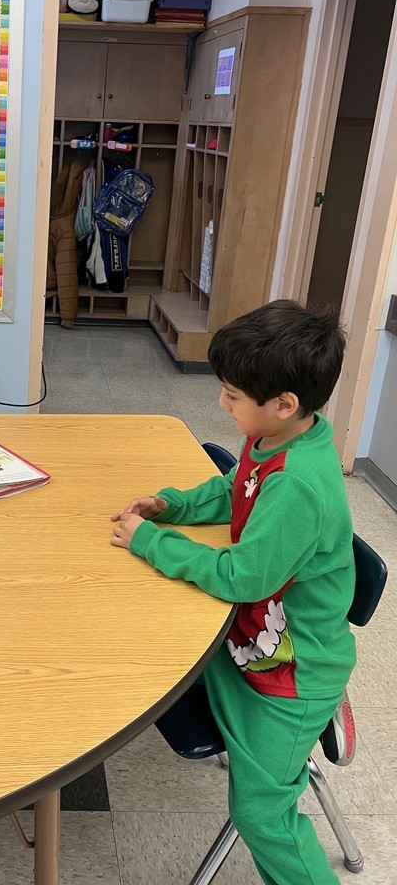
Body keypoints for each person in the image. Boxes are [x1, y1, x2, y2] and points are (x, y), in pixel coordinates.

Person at [111, 299, 355, 885]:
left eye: (232, 394)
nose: (222, 402)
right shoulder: (276, 437)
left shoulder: (299, 485)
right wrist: (173, 506)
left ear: (284, 403)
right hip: (254, 638)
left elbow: (243, 577)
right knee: (155, 649)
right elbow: (234, 487)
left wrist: (151, 542)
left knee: (260, 813)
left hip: (291, 671)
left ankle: (317, 716)